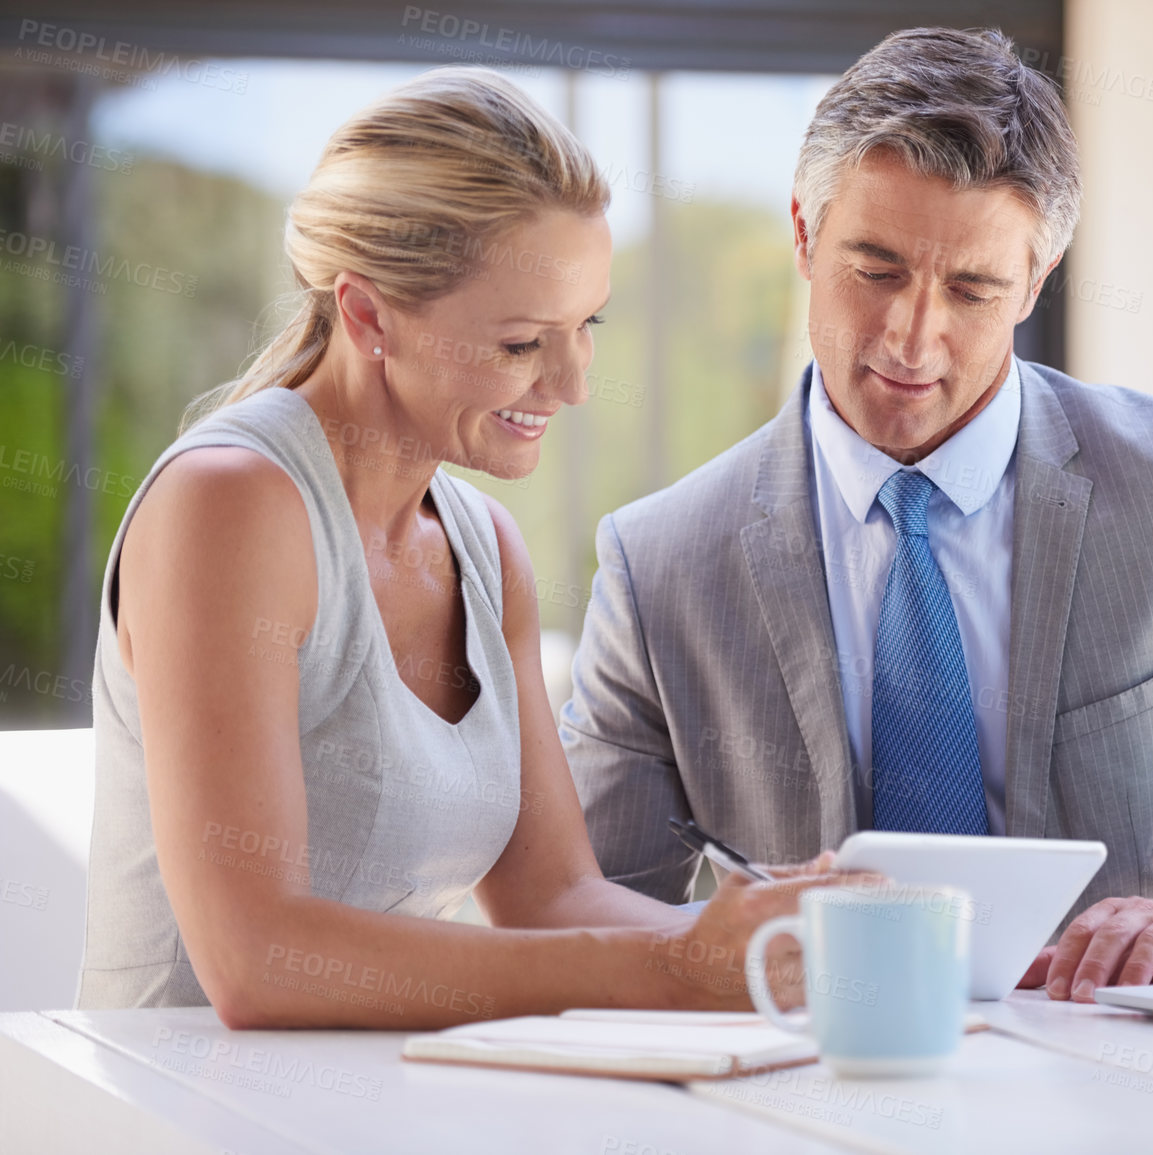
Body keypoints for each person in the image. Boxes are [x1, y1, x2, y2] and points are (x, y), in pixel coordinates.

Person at [562, 27, 1153, 1000]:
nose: (910, 337)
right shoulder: (659, 559)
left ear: (1035, 282)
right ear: (802, 232)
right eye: (875, 269)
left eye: (972, 288)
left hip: (1137, 1098)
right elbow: (588, 909)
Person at [78, 67, 854, 1028]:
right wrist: (668, 967)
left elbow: (553, 904)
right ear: (366, 315)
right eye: (524, 343)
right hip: (174, 1110)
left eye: (587, 326)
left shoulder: (483, 545)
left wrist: (773, 935)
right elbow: (256, 957)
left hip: (388, 1105)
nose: (571, 385)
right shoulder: (228, 505)